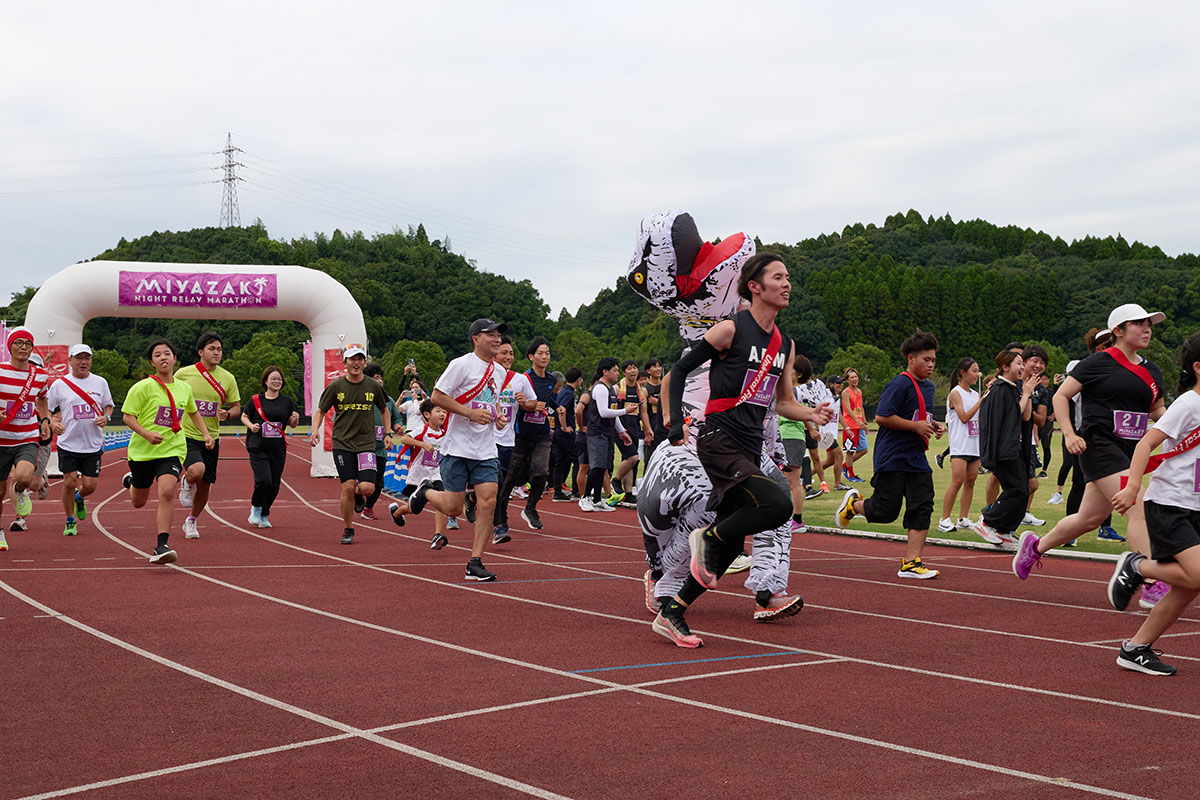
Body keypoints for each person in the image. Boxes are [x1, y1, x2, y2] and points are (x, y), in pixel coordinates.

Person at [654, 253, 832, 647]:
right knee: (778, 503)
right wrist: (675, 421)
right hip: (719, 438)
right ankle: (707, 537)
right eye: (778, 277)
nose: (787, 284)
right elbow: (679, 370)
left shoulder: (784, 344)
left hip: (750, 446)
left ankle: (673, 613)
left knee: (732, 543)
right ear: (754, 286)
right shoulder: (730, 329)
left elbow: (783, 402)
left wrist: (811, 414)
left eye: (788, 277)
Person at [1013, 304, 1167, 600]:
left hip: (1130, 450)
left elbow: (1157, 410)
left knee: (1088, 519)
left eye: (1149, 324)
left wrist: (1185, 424)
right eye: (1140, 324)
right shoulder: (1097, 363)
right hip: (1098, 445)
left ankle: (1035, 546)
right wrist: (1070, 434)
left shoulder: (1152, 370)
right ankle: (1151, 579)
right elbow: (1061, 396)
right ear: (1118, 331)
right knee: (1138, 504)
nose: (1147, 329)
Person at [1106, 332, 1200, 675]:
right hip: (1170, 504)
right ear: (1198, 368)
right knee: (1198, 574)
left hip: (1195, 506)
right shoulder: (1188, 405)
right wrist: (1133, 486)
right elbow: (1146, 444)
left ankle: (1135, 649)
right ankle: (1137, 566)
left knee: (1189, 586)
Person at [405, 318, 510, 581]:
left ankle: (475, 562)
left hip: (485, 450)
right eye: (491, 335)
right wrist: (469, 413)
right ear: (476, 339)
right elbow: (437, 397)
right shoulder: (461, 365)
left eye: (499, 335)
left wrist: (497, 416)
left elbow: (491, 401)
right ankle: (426, 491)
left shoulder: (499, 372)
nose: (497, 339)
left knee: (488, 502)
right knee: (452, 508)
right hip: (457, 448)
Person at [836, 330, 945, 579]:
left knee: (922, 505)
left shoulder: (928, 387)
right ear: (910, 358)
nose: (931, 365)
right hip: (893, 456)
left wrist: (933, 426)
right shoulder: (899, 384)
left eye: (933, 360)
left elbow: (919, 416)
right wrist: (915, 426)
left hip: (916, 457)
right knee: (885, 512)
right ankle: (854, 505)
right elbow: (882, 417)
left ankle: (911, 563)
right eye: (926, 359)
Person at [121, 338, 213, 564]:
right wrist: (146, 434)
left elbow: (193, 412)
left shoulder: (184, 388)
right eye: (158, 355)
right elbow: (128, 417)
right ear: (152, 362)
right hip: (143, 451)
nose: (163, 357)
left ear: (174, 359)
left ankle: (161, 545)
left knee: (166, 492)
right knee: (138, 501)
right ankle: (132, 481)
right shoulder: (143, 387)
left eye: (167, 353)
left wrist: (206, 434)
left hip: (172, 449)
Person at [308, 344, 393, 545]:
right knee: (347, 487)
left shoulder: (373, 386)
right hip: (342, 444)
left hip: (366, 445)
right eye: (352, 359)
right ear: (344, 362)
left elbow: (384, 410)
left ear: (364, 362)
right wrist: (315, 430)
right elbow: (320, 411)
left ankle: (358, 494)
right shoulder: (336, 386)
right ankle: (348, 528)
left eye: (360, 359)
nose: (356, 363)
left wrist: (388, 433)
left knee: (368, 488)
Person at [176, 331, 241, 540]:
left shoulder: (227, 378)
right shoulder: (184, 374)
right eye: (212, 349)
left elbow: (236, 407)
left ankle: (191, 520)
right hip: (187, 434)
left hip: (211, 437)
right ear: (200, 352)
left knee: (205, 484)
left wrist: (228, 414)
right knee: (197, 471)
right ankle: (187, 481)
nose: (216, 353)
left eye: (219, 349)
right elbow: (170, 394)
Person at [46, 344, 114, 537]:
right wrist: (52, 422)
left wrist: (106, 417)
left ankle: (79, 497)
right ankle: (69, 520)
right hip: (68, 442)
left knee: (90, 485)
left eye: (87, 358)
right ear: (70, 360)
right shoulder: (59, 384)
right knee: (69, 482)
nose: (83, 362)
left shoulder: (100, 382)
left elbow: (109, 406)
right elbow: (47, 410)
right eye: (79, 358)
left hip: (92, 444)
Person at [971, 351, 1034, 545]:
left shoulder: (1012, 388)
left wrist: (1027, 391)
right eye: (1018, 363)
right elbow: (1013, 416)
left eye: (1023, 363)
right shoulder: (1000, 389)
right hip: (1003, 450)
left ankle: (1003, 529)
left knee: (1021, 490)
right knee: (1017, 490)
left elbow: (1025, 416)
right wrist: (1026, 393)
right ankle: (987, 522)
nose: (1022, 367)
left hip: (1014, 448)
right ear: (1005, 367)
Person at [497, 336, 556, 534]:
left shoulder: (551, 380)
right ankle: (501, 514)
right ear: (531, 356)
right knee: (510, 476)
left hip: (542, 433)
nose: (545, 357)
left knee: (542, 472)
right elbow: (521, 403)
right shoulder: (523, 378)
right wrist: (527, 406)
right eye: (540, 353)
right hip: (520, 434)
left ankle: (530, 508)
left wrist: (557, 408)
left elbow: (547, 401)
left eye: (547, 353)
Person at [0, 327, 51, 550]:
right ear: (9, 347)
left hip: (26, 437)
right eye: (19, 343)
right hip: (1, 439)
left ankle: (20, 490)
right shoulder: (1, 371)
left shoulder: (40, 375)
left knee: (24, 476)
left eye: (28, 344)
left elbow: (42, 398)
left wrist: (45, 420)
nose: (23, 347)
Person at [240, 365, 299, 528]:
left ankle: (264, 514)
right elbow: (244, 416)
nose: (276, 381)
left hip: (277, 447)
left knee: (274, 484)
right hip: (258, 446)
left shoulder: (287, 402)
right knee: (263, 480)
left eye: (279, 379)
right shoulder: (255, 400)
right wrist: (251, 426)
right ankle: (256, 507)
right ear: (265, 381)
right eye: (273, 378)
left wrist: (295, 418)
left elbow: (292, 424)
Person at [490, 336, 534, 543]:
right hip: (486, 440)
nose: (508, 357)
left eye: (511, 353)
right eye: (504, 353)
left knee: (504, 485)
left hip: (508, 441)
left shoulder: (520, 379)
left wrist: (525, 402)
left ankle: (472, 499)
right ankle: (499, 525)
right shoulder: (483, 376)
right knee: (496, 483)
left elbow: (533, 403)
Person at [389, 399, 450, 549]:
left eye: (444, 411)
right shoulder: (422, 430)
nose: (442, 414)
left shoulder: (445, 434)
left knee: (440, 500)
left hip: (435, 474)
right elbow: (405, 439)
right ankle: (396, 513)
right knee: (414, 509)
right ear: (427, 415)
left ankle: (437, 534)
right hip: (419, 476)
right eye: (438, 411)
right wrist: (422, 444)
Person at [581, 358, 634, 513]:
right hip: (597, 432)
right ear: (605, 372)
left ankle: (597, 499)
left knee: (603, 467)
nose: (617, 373)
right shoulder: (600, 388)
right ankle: (585, 497)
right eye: (615, 370)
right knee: (596, 466)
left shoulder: (611, 389)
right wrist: (626, 411)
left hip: (607, 432)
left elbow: (613, 413)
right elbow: (604, 412)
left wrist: (621, 431)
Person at [938, 358, 981, 533]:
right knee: (957, 481)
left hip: (974, 444)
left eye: (978, 371)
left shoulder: (974, 394)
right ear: (962, 372)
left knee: (970, 482)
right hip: (959, 445)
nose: (977, 375)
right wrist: (981, 402)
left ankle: (963, 518)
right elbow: (963, 417)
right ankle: (944, 519)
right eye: (974, 371)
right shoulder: (955, 393)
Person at [360, 363, 402, 521]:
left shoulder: (389, 401)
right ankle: (357, 494)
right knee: (365, 481)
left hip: (380, 448)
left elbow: (396, 419)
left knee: (378, 483)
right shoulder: (360, 398)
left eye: (381, 378)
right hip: (362, 446)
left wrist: (397, 427)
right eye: (376, 378)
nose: (380, 381)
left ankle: (368, 508)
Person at [610, 359, 652, 504]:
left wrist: (648, 429)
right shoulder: (617, 389)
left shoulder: (642, 390)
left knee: (629, 460)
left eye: (635, 368)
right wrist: (620, 429)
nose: (633, 371)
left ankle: (628, 493)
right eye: (629, 368)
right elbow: (612, 410)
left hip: (634, 428)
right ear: (624, 372)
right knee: (633, 457)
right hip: (620, 429)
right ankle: (616, 481)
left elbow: (644, 412)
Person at [550, 367, 582, 501]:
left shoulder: (562, 391)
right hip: (564, 432)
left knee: (560, 462)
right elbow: (561, 410)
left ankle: (557, 491)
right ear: (578, 380)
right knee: (578, 460)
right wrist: (564, 427)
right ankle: (576, 491)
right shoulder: (569, 393)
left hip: (557, 432)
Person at [820, 374, 850, 491]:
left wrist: (846, 428)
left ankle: (805, 475)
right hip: (826, 433)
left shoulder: (837, 397)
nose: (841, 384)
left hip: (832, 433)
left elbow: (839, 414)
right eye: (838, 383)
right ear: (831, 384)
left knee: (830, 461)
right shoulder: (825, 394)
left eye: (842, 382)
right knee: (839, 455)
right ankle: (838, 484)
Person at [840, 368, 869, 482]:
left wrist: (864, 422)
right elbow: (847, 408)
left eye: (856, 376)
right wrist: (857, 420)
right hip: (850, 425)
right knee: (850, 451)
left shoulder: (859, 391)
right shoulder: (846, 392)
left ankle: (844, 466)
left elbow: (860, 407)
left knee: (864, 449)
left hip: (859, 425)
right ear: (847, 380)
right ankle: (851, 475)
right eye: (852, 377)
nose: (855, 379)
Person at [643, 358, 666, 464]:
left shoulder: (666, 386)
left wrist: (657, 402)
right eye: (655, 366)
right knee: (650, 461)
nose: (658, 369)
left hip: (666, 427)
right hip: (652, 429)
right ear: (648, 371)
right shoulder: (645, 389)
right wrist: (647, 431)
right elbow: (644, 412)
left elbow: (672, 405)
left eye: (659, 366)